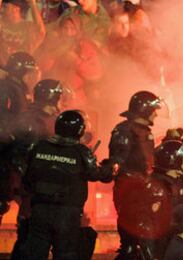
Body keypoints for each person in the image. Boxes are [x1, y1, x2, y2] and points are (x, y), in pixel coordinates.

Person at [21, 110, 114, 259]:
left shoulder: (38, 146)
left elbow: (26, 177)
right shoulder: (81, 151)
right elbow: (97, 174)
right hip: (67, 213)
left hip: (40, 209)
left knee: (35, 253)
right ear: (80, 131)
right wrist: (110, 168)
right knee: (66, 254)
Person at [9, 79, 62, 259]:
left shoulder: (50, 120)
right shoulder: (30, 121)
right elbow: (21, 156)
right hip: (33, 187)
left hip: (45, 187)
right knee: (28, 235)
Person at [109, 90, 164, 259]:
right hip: (131, 194)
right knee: (133, 244)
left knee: (143, 242)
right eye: (154, 110)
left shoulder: (144, 131)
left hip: (142, 193)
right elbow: (119, 163)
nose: (156, 114)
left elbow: (144, 160)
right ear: (145, 110)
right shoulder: (124, 130)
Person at [0, 0, 45, 65]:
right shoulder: (2, 24)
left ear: (16, 8)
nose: (2, 9)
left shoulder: (27, 27)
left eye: (5, 6)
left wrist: (32, 2)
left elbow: (41, 31)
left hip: (21, 72)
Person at [0, 52, 41, 123]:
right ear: (20, 71)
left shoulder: (20, 88)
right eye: (29, 72)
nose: (32, 76)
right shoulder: (7, 88)